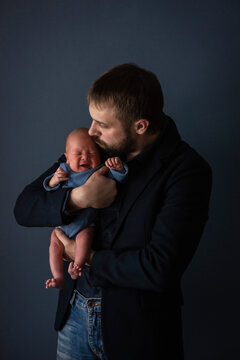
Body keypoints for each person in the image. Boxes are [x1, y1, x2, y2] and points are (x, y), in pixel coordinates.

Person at [14, 63, 212, 360]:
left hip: (137, 333)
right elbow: (25, 208)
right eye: (92, 120)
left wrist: (82, 255)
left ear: (140, 126)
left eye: (102, 124)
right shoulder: (94, 149)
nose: (91, 131)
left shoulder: (187, 171)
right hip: (73, 318)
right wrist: (79, 198)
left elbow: (159, 268)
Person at [43, 128, 128, 289]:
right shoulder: (64, 170)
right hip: (63, 226)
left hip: (85, 224)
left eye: (91, 153)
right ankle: (58, 277)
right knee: (54, 245)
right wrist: (54, 180)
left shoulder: (99, 170)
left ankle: (78, 265)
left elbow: (117, 181)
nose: (85, 157)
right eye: (78, 153)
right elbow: (47, 189)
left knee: (85, 237)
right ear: (67, 157)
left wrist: (118, 169)